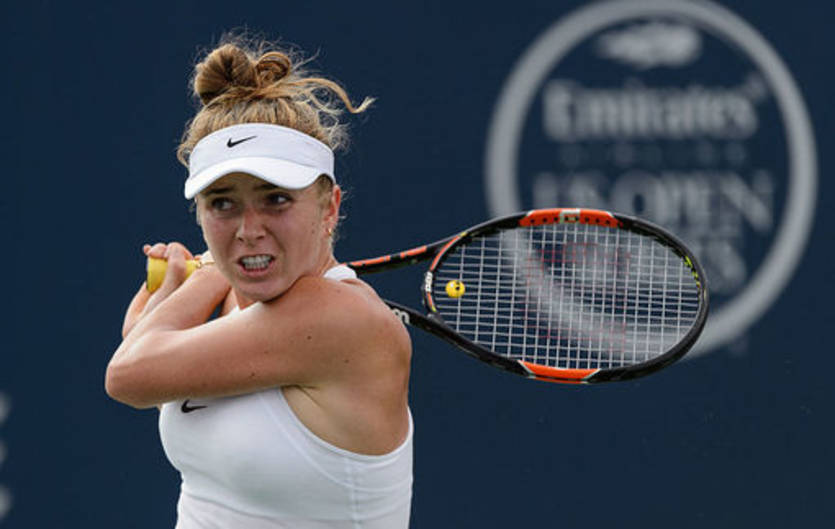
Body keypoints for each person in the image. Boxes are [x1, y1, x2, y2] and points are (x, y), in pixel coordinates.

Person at [105, 36, 413, 529]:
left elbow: (129, 374)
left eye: (275, 199)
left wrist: (205, 273)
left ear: (329, 207)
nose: (249, 230)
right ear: (199, 214)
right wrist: (176, 291)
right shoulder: (236, 300)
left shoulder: (342, 316)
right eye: (223, 204)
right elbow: (148, 354)